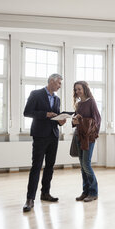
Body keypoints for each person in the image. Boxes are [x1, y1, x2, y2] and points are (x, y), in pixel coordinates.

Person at [22, 73, 66, 212]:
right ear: (52, 81)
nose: (60, 86)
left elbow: (56, 117)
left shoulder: (57, 99)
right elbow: (27, 112)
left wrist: (60, 121)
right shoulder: (36, 94)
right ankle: (30, 199)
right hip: (40, 136)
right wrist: (45, 114)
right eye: (59, 83)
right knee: (36, 166)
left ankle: (45, 193)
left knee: (50, 166)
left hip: (53, 136)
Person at [72, 81, 101, 202]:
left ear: (84, 89)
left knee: (86, 164)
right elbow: (75, 120)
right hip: (79, 136)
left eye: (79, 89)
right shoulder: (78, 104)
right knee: (82, 166)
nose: (77, 91)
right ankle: (85, 192)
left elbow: (97, 120)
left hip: (88, 138)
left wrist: (82, 121)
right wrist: (74, 120)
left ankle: (93, 192)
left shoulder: (91, 102)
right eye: (76, 89)